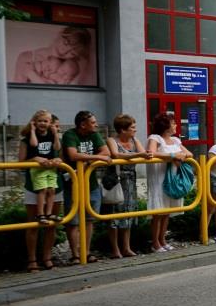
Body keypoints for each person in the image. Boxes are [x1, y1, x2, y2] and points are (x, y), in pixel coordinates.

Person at [62, 111, 111, 264]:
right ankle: (75, 255)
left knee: (89, 219)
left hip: (91, 183)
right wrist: (97, 157)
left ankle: (86, 252)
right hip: (73, 184)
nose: (96, 125)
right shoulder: (70, 135)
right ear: (83, 124)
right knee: (73, 221)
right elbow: (73, 155)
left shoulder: (94, 135)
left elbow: (106, 151)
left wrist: (89, 161)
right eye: (93, 122)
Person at [19, 111, 63, 272]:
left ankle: (47, 258)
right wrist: (34, 159)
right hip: (34, 185)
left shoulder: (55, 138)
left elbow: (62, 156)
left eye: (52, 124)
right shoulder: (27, 140)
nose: (48, 126)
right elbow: (21, 162)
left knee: (51, 224)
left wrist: (58, 159)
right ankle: (32, 260)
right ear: (35, 122)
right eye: (41, 121)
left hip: (54, 183)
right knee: (33, 224)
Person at [146, 112, 193, 253]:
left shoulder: (176, 140)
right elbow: (152, 153)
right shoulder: (155, 138)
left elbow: (189, 154)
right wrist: (173, 156)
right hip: (158, 177)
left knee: (167, 211)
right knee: (158, 211)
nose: (176, 125)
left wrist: (181, 156)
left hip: (173, 176)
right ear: (165, 125)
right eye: (173, 123)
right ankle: (155, 243)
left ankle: (162, 240)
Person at [106, 114, 149, 258]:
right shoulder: (112, 140)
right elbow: (115, 155)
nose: (135, 130)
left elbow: (143, 153)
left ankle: (126, 247)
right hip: (116, 180)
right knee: (114, 214)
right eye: (132, 128)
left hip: (130, 181)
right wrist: (136, 155)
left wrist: (141, 153)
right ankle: (115, 249)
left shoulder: (134, 140)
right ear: (123, 130)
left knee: (128, 214)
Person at [20, 110, 61, 226]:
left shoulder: (51, 135)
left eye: (45, 121)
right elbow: (34, 144)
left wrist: (55, 134)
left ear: (50, 123)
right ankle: (40, 214)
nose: (43, 123)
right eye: (40, 121)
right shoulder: (30, 136)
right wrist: (32, 130)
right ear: (34, 122)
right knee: (42, 190)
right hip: (38, 169)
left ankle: (49, 213)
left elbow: (57, 148)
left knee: (52, 189)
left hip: (50, 168)